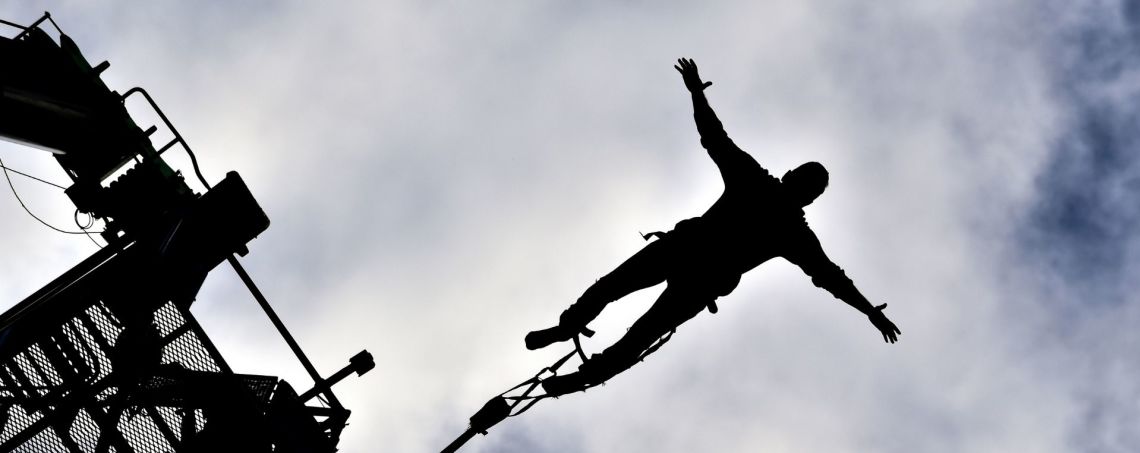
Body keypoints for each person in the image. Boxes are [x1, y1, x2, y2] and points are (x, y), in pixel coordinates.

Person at [528, 58, 901, 396]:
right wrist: (696, 95)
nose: (805, 191)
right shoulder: (760, 187)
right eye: (807, 183)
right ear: (794, 180)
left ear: (808, 198)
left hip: (700, 276)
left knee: (639, 327)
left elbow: (831, 276)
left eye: (811, 189)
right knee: (617, 294)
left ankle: (586, 365)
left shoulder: (791, 228)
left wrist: (868, 310)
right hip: (686, 253)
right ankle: (570, 330)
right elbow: (715, 137)